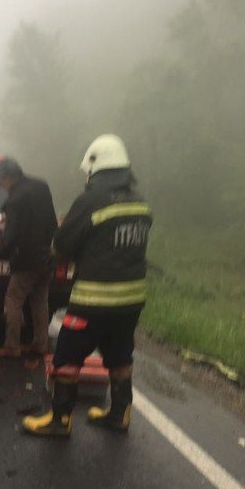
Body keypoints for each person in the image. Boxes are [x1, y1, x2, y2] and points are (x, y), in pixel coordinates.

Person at [23, 134, 152, 437]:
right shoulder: (139, 202)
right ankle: (120, 413)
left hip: (94, 299)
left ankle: (59, 420)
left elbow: (63, 246)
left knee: (67, 356)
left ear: (95, 168)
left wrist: (66, 229)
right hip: (131, 299)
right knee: (120, 355)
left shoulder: (90, 200)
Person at [0, 155, 57, 362]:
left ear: (8, 176)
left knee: (13, 299)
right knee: (39, 300)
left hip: (26, 260)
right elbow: (52, 222)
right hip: (47, 256)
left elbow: (10, 236)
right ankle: (40, 344)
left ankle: (12, 347)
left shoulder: (16, 200)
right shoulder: (41, 186)